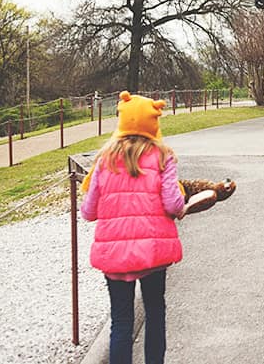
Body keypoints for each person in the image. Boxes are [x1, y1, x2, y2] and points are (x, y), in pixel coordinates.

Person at [80, 91, 185, 364]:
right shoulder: (163, 157)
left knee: (121, 320)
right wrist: (183, 208)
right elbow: (173, 203)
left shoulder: (104, 160)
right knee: (154, 313)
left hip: (114, 257)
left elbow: (88, 211)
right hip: (152, 252)